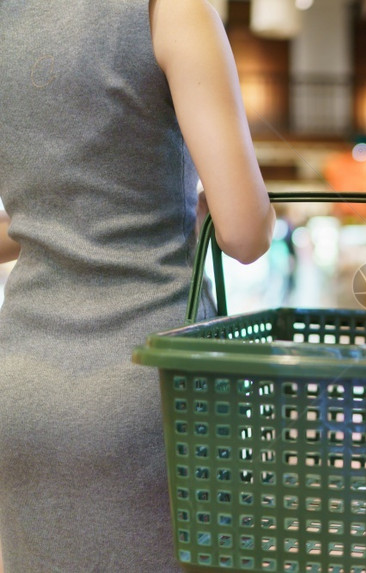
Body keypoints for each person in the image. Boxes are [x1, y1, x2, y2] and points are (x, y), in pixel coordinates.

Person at [0, 0, 275, 571]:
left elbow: (30, 228)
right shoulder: (168, 10)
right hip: (152, 391)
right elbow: (245, 233)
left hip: (20, 387)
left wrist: (54, 228)